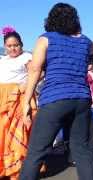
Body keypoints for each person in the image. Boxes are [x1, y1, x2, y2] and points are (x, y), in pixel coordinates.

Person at [20, 3, 93, 180]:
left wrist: (26, 102)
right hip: (82, 100)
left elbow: (34, 70)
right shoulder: (84, 40)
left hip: (55, 99)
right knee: (83, 151)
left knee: (36, 152)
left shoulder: (45, 39)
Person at [0, 26, 37, 180]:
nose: (13, 48)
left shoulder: (27, 57)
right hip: (3, 98)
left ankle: (18, 171)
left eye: (16, 45)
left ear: (21, 44)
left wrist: (24, 86)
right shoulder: (3, 59)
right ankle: (5, 168)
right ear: (5, 46)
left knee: (18, 133)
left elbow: (38, 73)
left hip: (20, 98)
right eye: (9, 46)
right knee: (3, 132)